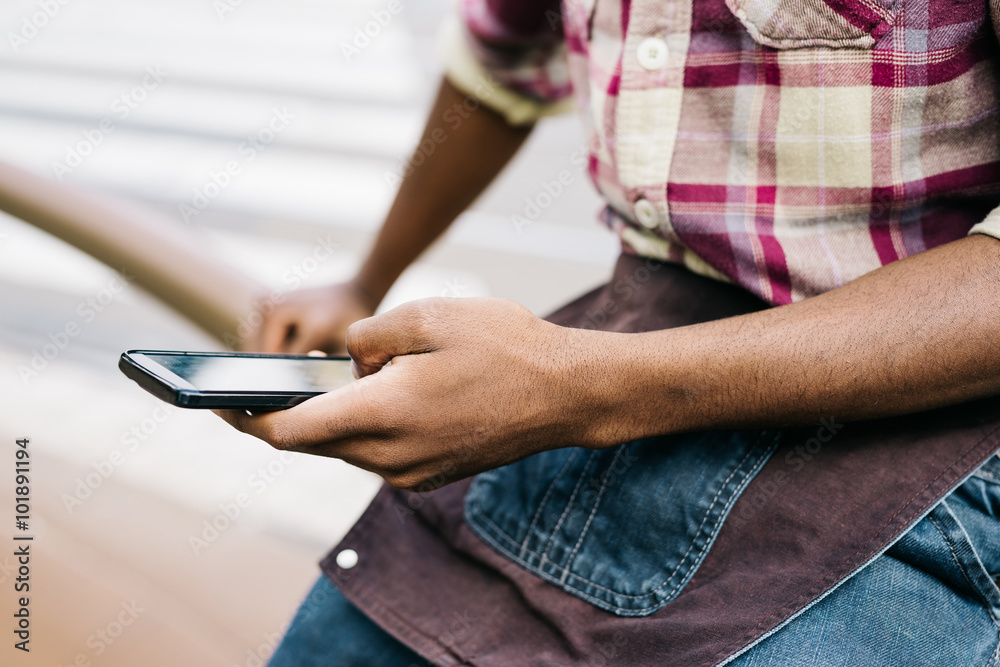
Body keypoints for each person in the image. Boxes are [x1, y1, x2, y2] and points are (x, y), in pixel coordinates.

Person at [217, 0, 1000, 664]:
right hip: (619, 340)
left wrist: (573, 386)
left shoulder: (577, 385)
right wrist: (366, 279)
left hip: (929, 426)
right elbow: (502, 63)